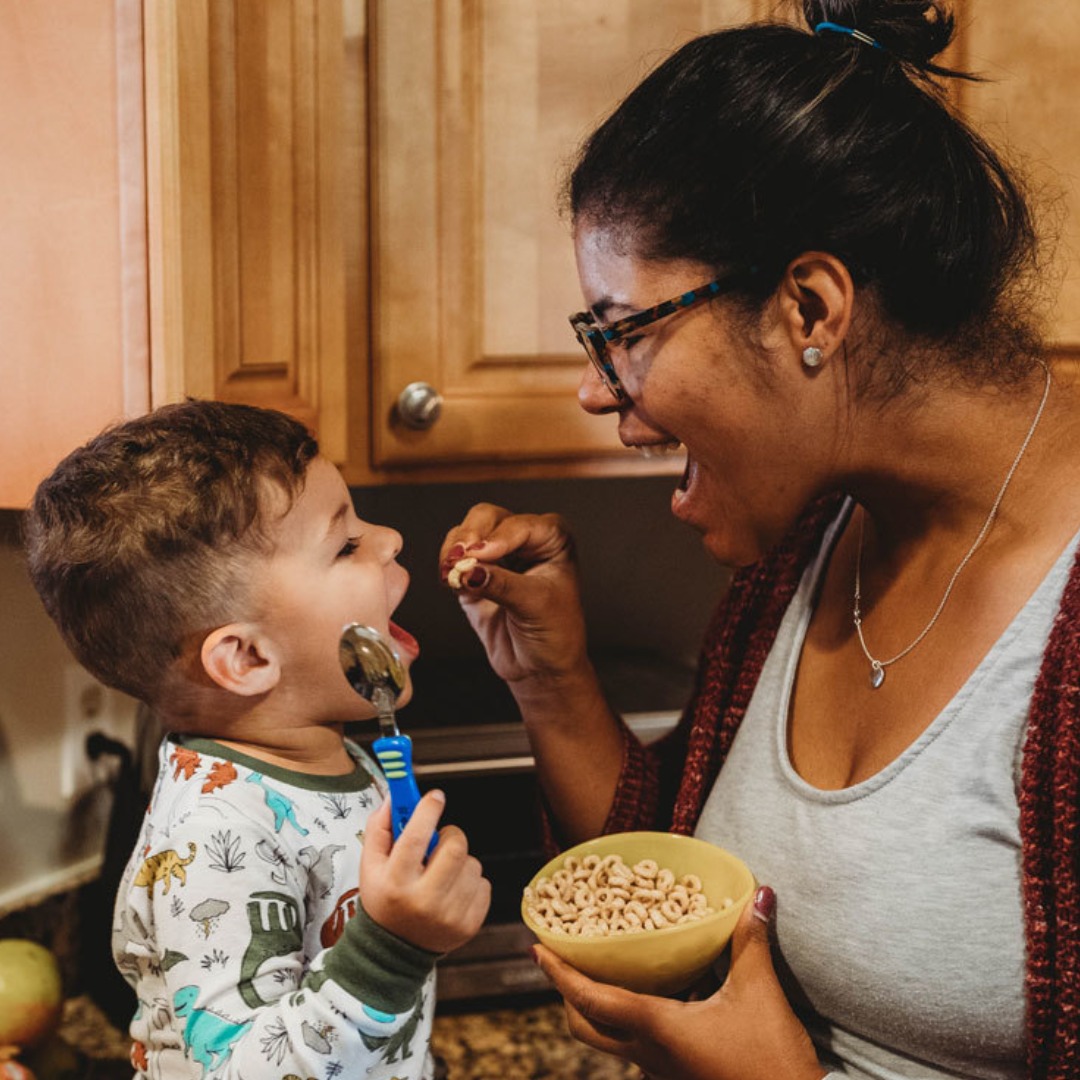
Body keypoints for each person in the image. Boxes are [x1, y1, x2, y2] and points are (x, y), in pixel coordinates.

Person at [439, 1, 1080, 1078]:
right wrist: (552, 680)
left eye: (622, 333)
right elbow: (680, 882)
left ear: (811, 310)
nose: (599, 394)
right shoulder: (820, 532)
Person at [24, 400, 490, 1080]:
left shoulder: (323, 752)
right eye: (348, 544)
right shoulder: (216, 838)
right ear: (245, 659)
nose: (390, 539)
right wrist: (392, 948)